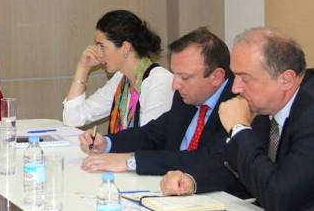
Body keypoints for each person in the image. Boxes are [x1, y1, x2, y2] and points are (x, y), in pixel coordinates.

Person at [79, 27, 247, 196]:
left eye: (185, 77)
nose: (175, 85)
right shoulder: (186, 95)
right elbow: (153, 133)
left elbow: (205, 158)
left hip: (216, 197)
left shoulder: (240, 105)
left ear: (216, 76)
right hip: (173, 190)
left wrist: (131, 161)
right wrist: (107, 143)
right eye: (175, 75)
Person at [162, 28, 314, 210]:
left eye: (245, 78)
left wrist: (239, 129)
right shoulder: (265, 105)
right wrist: (190, 180)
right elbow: (239, 165)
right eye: (235, 76)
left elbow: (280, 197)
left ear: (286, 80)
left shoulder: (309, 115)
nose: (235, 88)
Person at [63, 10, 173, 130]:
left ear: (125, 48)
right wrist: (83, 68)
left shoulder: (159, 81)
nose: (98, 53)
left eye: (102, 46)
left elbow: (148, 137)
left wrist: (105, 140)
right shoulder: (121, 80)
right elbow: (72, 119)